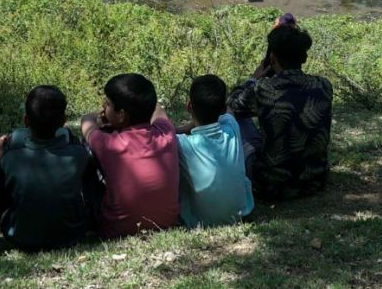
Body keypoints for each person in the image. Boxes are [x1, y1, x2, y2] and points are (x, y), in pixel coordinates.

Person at [228, 25, 332, 199]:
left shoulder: (263, 89)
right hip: (314, 180)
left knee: (236, 118)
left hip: (271, 185)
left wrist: (253, 79)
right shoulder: (324, 85)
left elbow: (231, 104)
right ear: (304, 57)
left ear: (272, 59)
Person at [0, 85, 90, 251]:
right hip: (71, 235)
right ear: (64, 122)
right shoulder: (78, 155)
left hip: (20, 237)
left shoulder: (10, 158)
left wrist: (0, 158)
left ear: (26, 120)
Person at [80, 73, 180, 238]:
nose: (104, 106)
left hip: (117, 229)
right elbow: (158, 109)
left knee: (87, 151)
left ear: (121, 114)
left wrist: (99, 118)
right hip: (168, 222)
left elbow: (87, 122)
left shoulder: (109, 144)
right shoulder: (166, 133)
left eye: (108, 104)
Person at [174, 74, 255, 227]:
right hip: (241, 213)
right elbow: (229, 111)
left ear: (189, 106)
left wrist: (179, 130)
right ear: (223, 109)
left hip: (199, 222)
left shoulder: (182, 144)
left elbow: (165, 128)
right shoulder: (232, 127)